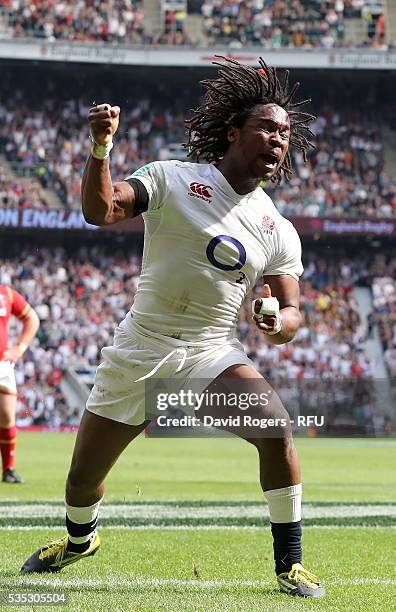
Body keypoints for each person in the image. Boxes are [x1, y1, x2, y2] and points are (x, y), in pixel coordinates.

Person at [22, 57, 324, 598]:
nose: (278, 139)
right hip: (139, 351)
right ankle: (78, 539)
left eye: (285, 132)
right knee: (81, 483)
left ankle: (290, 563)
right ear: (234, 132)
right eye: (266, 128)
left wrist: (277, 322)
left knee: (276, 431)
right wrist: (101, 148)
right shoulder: (172, 178)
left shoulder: (278, 229)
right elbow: (102, 210)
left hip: (209, 355)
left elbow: (293, 315)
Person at [0, 285, 40, 483]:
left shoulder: (5, 293)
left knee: (7, 417)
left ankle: (8, 469)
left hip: (3, 365)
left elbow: (32, 318)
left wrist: (20, 347)